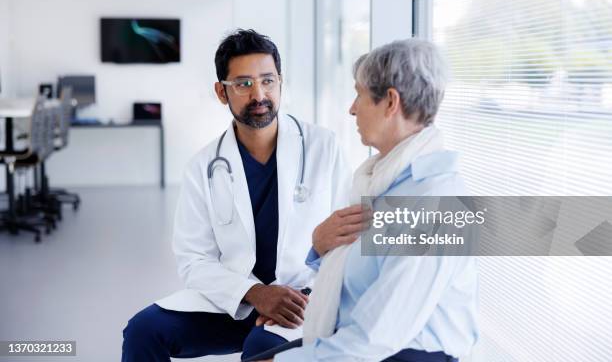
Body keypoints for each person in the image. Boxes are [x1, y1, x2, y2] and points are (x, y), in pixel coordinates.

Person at [121, 29, 368, 361]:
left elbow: (347, 241)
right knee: (143, 331)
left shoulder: (323, 148)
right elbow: (194, 259)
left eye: (267, 81)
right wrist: (256, 293)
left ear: (280, 82)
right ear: (221, 92)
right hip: (234, 299)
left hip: (304, 300)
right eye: (243, 84)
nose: (259, 94)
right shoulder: (203, 167)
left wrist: (303, 296)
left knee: (262, 349)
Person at [256, 38, 479, 361]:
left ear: (390, 102)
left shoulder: (438, 203)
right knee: (258, 348)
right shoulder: (381, 181)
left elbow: (379, 335)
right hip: (365, 340)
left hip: (408, 354)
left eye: (358, 94)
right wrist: (319, 247)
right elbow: (364, 274)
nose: (351, 108)